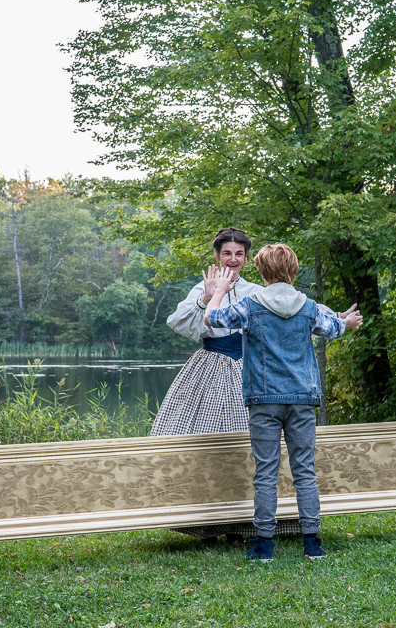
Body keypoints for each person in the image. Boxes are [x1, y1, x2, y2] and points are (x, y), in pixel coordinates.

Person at [151, 228, 353, 540]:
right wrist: (206, 297)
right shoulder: (202, 287)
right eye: (227, 253)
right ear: (217, 255)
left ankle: (247, 525)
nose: (232, 259)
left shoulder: (255, 292)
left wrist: (338, 317)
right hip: (211, 368)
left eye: (239, 254)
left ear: (247, 258)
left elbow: (293, 315)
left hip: (253, 373)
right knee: (211, 448)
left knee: (256, 454)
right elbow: (178, 323)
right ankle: (208, 520)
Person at [204, 244, 362, 561]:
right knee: (304, 473)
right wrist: (347, 322)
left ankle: (264, 546)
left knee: (266, 473)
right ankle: (313, 545)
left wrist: (219, 291)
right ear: (294, 270)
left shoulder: (251, 305)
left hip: (263, 399)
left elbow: (212, 319)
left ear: (261, 272)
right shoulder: (309, 306)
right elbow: (334, 328)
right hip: (302, 399)